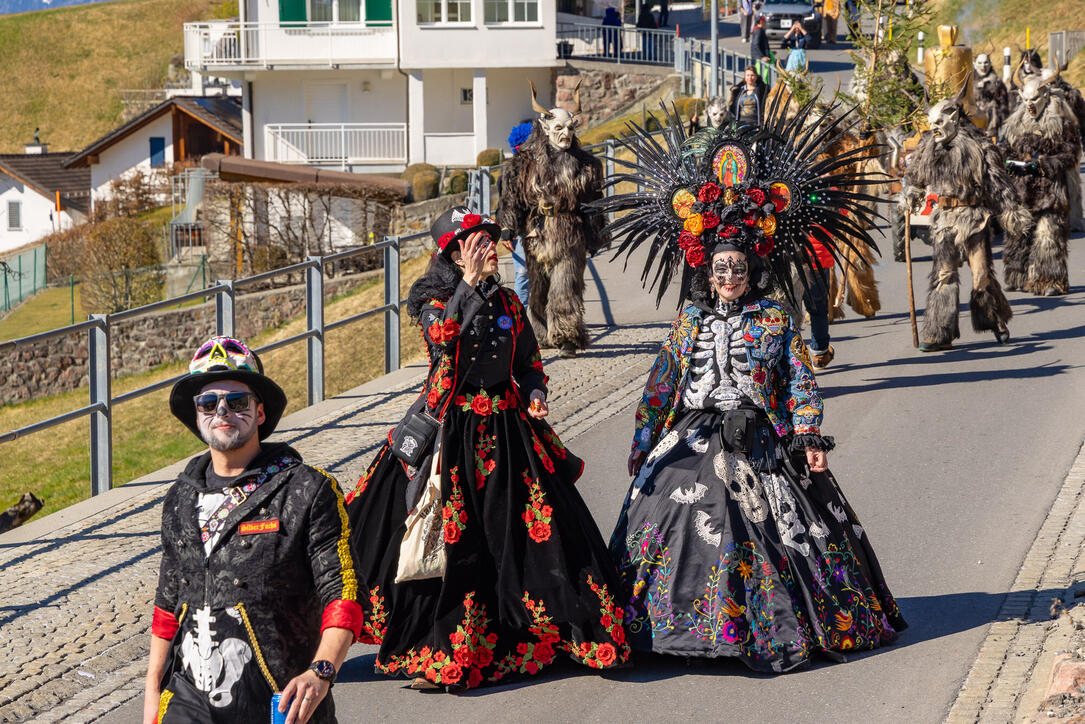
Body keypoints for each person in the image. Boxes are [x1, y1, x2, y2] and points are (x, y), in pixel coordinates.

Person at [594, 91, 907, 673]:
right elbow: (661, 386)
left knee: (771, 526)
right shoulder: (689, 319)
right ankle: (674, 628)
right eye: (720, 268)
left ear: (752, 270)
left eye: (738, 268)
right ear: (707, 272)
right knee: (660, 505)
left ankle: (767, 626)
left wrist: (809, 438)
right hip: (692, 432)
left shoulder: (775, 318)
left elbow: (798, 384)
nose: (729, 276)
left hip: (761, 435)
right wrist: (643, 445)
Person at [344, 206, 629, 692]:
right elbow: (444, 351)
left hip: (508, 428)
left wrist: (535, 390)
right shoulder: (434, 302)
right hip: (450, 432)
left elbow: (528, 362)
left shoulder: (509, 302)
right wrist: (468, 288)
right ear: (453, 253)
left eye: (490, 241)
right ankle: (446, 648)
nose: (489, 249)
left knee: (531, 530)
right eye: (476, 243)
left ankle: (543, 632)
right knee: (447, 538)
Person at [147, 337, 361, 724]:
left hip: (281, 698)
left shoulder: (306, 490)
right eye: (208, 404)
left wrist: (321, 672)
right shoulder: (180, 497)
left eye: (238, 401)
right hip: (188, 700)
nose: (222, 411)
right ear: (197, 417)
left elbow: (343, 592)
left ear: (260, 412)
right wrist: (151, 693)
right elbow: (167, 603)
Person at [902, 89, 1023, 350]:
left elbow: (999, 184)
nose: (934, 129)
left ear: (954, 118)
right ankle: (940, 334)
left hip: (975, 219)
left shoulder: (980, 147)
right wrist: (911, 192)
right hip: (945, 220)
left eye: (939, 123)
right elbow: (915, 176)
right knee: (943, 275)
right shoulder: (928, 147)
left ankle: (995, 321)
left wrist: (1011, 211)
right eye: (931, 123)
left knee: (981, 276)